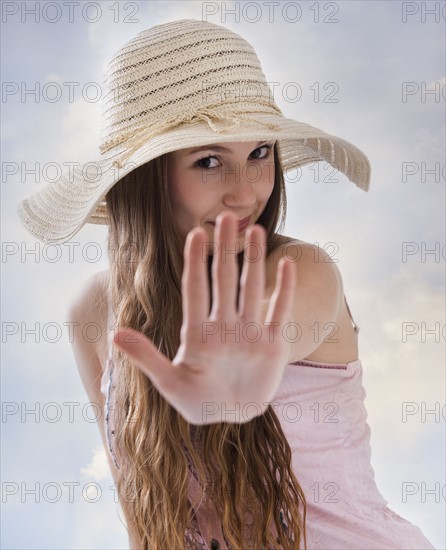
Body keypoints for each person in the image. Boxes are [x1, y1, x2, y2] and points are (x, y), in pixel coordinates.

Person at [17, 19, 436, 550]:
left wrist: (228, 391)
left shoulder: (301, 271)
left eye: (260, 154)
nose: (246, 193)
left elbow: (262, 331)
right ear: (145, 179)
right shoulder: (93, 311)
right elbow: (145, 521)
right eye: (209, 161)